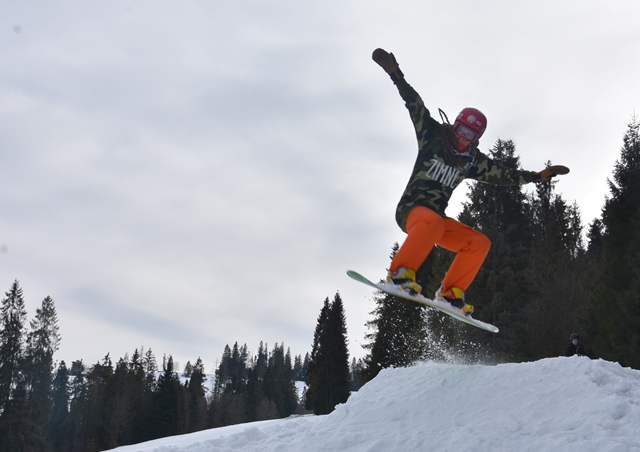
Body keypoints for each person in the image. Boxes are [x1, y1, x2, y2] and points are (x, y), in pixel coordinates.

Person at [372, 48, 569, 316]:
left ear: (477, 138)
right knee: (432, 221)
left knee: (479, 243)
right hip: (412, 210)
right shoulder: (432, 135)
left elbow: (504, 175)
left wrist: (535, 176)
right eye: (460, 130)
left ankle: (450, 294)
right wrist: (395, 74)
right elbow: (414, 104)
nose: (462, 138)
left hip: (436, 221)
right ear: (454, 125)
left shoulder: (473, 161)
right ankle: (400, 275)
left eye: (470, 135)